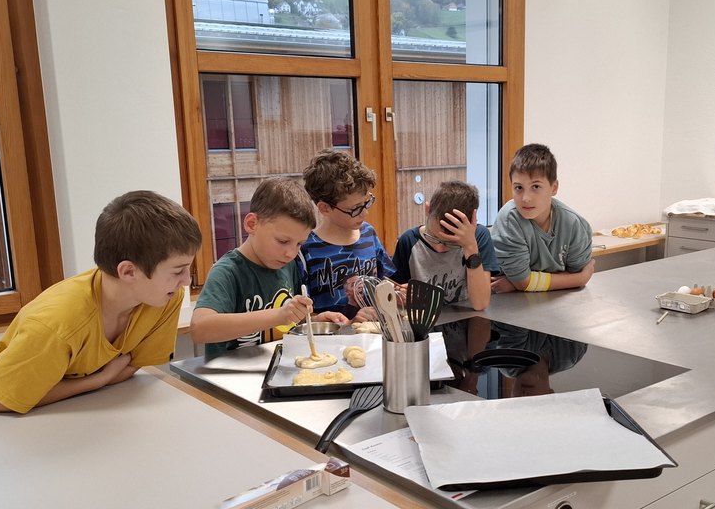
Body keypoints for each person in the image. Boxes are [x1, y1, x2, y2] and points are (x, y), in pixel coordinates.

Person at [0, 190, 202, 414]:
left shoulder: (164, 298)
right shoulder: (59, 323)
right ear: (128, 271)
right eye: (177, 271)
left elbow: (131, 366)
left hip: (71, 413)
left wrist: (101, 379)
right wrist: (98, 380)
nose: (185, 281)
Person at [190, 177, 348, 358]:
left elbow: (287, 322)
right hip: (231, 374)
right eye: (283, 241)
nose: (291, 253)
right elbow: (199, 329)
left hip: (275, 368)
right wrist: (277, 316)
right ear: (252, 224)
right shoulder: (227, 272)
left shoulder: (287, 266)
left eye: (299, 244)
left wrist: (313, 321)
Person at [300, 149, 395, 320]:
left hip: (373, 333)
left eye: (367, 202)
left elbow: (386, 282)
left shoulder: (368, 234)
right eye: (355, 208)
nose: (365, 213)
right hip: (331, 336)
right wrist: (351, 322)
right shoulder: (306, 249)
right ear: (325, 208)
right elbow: (301, 316)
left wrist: (400, 293)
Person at [489, 143, 594, 293]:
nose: (526, 198)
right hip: (506, 302)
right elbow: (523, 282)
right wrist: (580, 279)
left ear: (554, 188)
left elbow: (523, 282)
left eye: (536, 187)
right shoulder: (509, 219)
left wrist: (519, 283)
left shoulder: (574, 224)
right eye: (518, 188)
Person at [391, 179, 497, 311]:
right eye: (434, 238)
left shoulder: (478, 237)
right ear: (428, 209)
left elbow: (480, 303)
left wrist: (470, 248)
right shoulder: (408, 241)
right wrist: (400, 296)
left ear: (472, 222)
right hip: (424, 320)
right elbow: (396, 294)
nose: (440, 249)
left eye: (453, 243)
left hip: (465, 319)